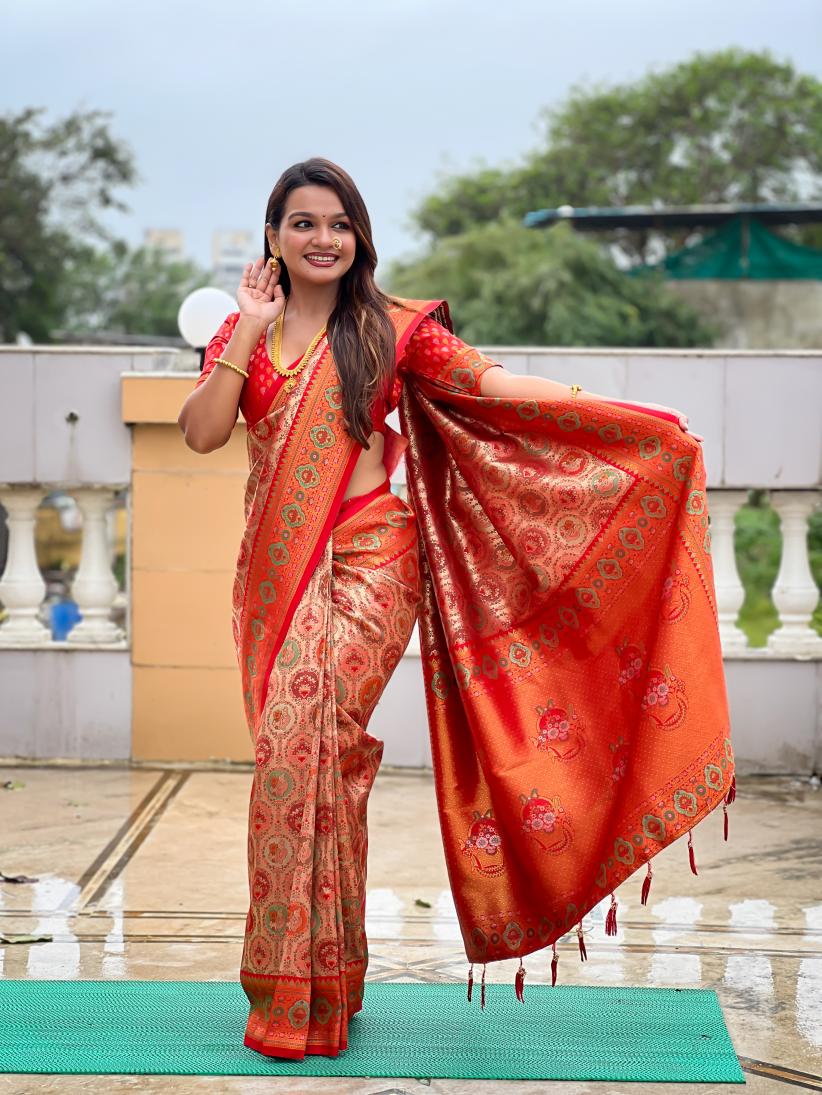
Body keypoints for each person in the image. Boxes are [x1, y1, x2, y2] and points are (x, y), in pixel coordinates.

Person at [177, 158, 734, 1060]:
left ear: (360, 237)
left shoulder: (389, 330)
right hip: (276, 579)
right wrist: (245, 325)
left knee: (306, 742)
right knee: (307, 764)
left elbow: (492, 387)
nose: (323, 239)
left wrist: (622, 415)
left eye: (339, 224)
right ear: (273, 234)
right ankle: (319, 981)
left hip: (372, 561)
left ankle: (299, 995)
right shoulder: (246, 333)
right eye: (303, 223)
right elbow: (202, 431)